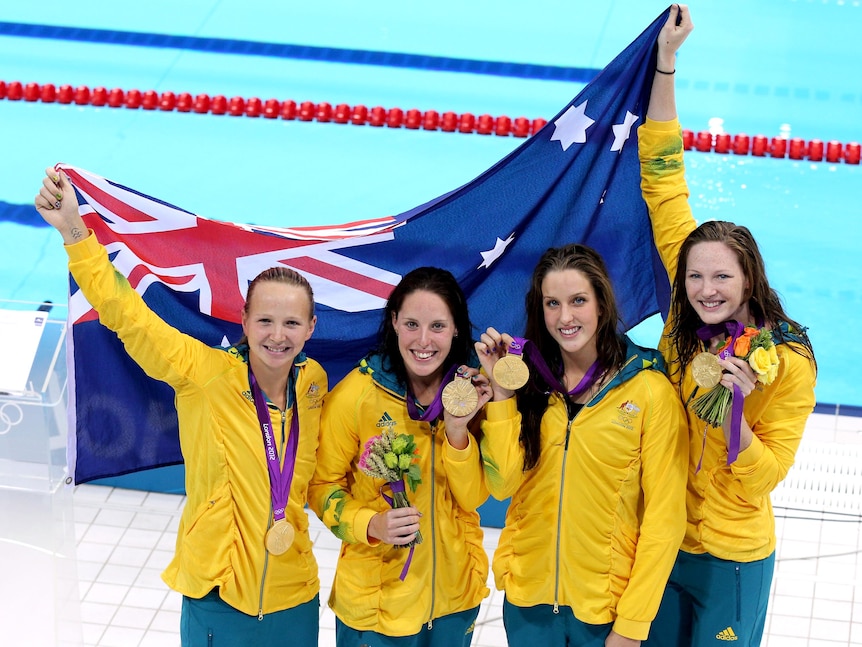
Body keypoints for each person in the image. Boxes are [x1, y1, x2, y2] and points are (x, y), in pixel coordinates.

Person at [36, 169, 327, 646]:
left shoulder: (313, 384)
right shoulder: (204, 374)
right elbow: (126, 316)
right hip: (216, 590)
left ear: (311, 328)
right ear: (244, 321)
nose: (279, 335)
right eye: (266, 320)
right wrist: (74, 232)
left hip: (294, 594)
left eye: (292, 322)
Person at [638, 6, 817, 646]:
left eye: (722, 279)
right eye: (695, 278)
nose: (707, 291)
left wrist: (737, 411)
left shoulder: (788, 361)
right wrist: (666, 60)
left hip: (732, 554)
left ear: (749, 280)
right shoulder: (684, 327)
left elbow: (768, 477)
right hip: (659, 539)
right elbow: (663, 178)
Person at [475, 243, 689, 647]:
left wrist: (632, 625)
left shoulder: (648, 391)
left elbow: (665, 519)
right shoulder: (529, 383)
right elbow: (502, 486)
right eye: (552, 303)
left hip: (605, 612)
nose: (565, 317)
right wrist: (503, 397)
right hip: (528, 604)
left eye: (578, 301)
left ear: (602, 306)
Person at [308, 266, 491, 647]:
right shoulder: (357, 394)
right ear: (393, 322)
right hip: (378, 607)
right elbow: (321, 486)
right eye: (411, 324)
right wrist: (370, 524)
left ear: (457, 327)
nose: (423, 340)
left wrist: (459, 430)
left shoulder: (469, 392)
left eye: (438, 326)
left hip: (453, 599)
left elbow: (474, 497)